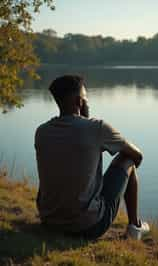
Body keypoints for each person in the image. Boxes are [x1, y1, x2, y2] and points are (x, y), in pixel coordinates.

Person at [34, 74, 150, 240]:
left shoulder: (41, 131)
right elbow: (137, 156)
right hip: (89, 226)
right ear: (80, 102)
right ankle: (135, 227)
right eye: (86, 98)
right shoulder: (96, 128)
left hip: (49, 221)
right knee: (127, 159)